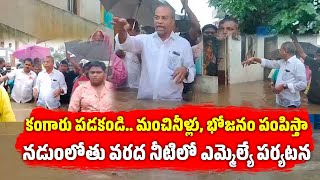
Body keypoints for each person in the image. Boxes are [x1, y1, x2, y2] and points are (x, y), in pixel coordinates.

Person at [113, 4, 195, 101]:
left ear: (172, 21)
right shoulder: (145, 40)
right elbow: (127, 44)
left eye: (164, 18)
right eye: (157, 17)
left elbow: (191, 70)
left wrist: (185, 71)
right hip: (145, 102)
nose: (159, 21)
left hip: (172, 103)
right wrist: (122, 31)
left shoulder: (183, 44)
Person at [242, 42, 307, 108]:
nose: (279, 52)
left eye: (280, 50)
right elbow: (270, 63)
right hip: (280, 101)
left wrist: (284, 86)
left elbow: (303, 84)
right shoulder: (283, 62)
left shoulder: (298, 64)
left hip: (291, 103)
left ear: (285, 51)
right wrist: (255, 59)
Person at [291, 35, 320, 105]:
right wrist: (295, 40)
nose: (316, 56)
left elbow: (301, 54)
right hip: (312, 98)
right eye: (317, 55)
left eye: (318, 55)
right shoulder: (315, 63)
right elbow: (301, 53)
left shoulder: (315, 63)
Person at [115, 18, 142, 89]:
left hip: (135, 82)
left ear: (136, 30)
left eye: (129, 29)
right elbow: (114, 54)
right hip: (120, 79)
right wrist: (117, 53)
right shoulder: (118, 37)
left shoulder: (141, 40)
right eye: (125, 29)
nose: (127, 32)